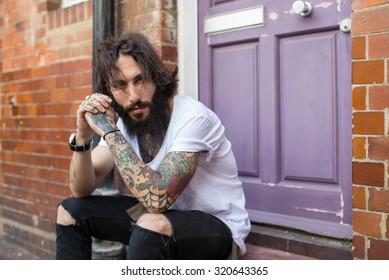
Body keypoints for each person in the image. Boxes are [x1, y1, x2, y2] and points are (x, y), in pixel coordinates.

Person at [56, 32, 251, 260]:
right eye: (120, 85)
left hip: (219, 228)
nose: (134, 95)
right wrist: (82, 136)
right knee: (71, 211)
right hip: (160, 221)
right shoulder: (126, 123)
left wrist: (110, 131)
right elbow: (80, 190)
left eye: (139, 80)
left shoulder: (192, 117)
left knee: (150, 224)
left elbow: (157, 200)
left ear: (156, 77)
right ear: (109, 92)